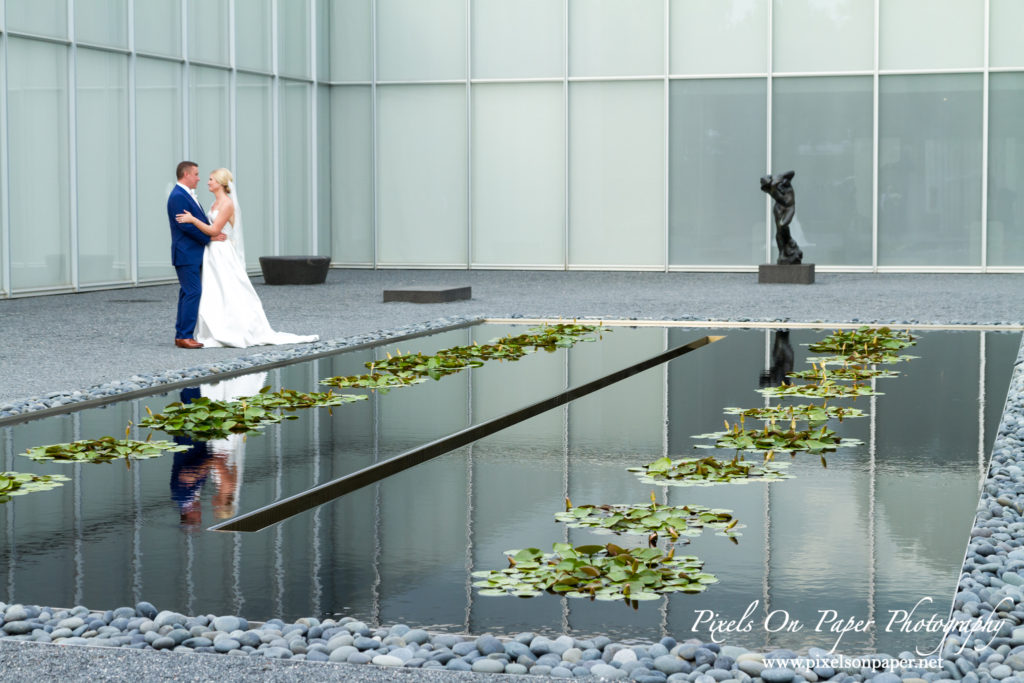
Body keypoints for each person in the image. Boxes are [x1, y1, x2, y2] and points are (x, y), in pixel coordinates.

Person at [175, 168, 319, 348]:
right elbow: (212, 233)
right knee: (213, 291)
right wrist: (207, 234)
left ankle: (234, 328)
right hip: (212, 252)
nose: (207, 182)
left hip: (222, 252)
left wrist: (192, 220)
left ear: (220, 183)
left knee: (228, 289)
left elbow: (214, 230)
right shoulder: (214, 203)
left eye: (211, 179)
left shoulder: (227, 204)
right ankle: (214, 327)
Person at [167, 161, 226, 349]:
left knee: (188, 292)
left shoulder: (185, 195)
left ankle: (182, 334)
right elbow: (184, 225)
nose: (199, 178)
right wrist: (210, 237)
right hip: (186, 254)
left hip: (191, 253)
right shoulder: (178, 196)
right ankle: (184, 335)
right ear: (186, 175)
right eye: (196, 174)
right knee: (193, 292)